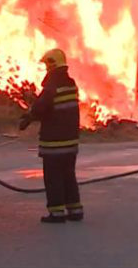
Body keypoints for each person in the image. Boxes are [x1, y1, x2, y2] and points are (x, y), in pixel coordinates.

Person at [18, 48, 83, 223]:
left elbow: (41, 107)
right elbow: (56, 109)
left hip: (54, 142)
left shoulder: (52, 86)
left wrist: (28, 118)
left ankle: (56, 213)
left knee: (53, 177)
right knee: (68, 175)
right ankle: (75, 210)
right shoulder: (70, 84)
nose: (46, 68)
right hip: (71, 140)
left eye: (47, 64)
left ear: (52, 64)